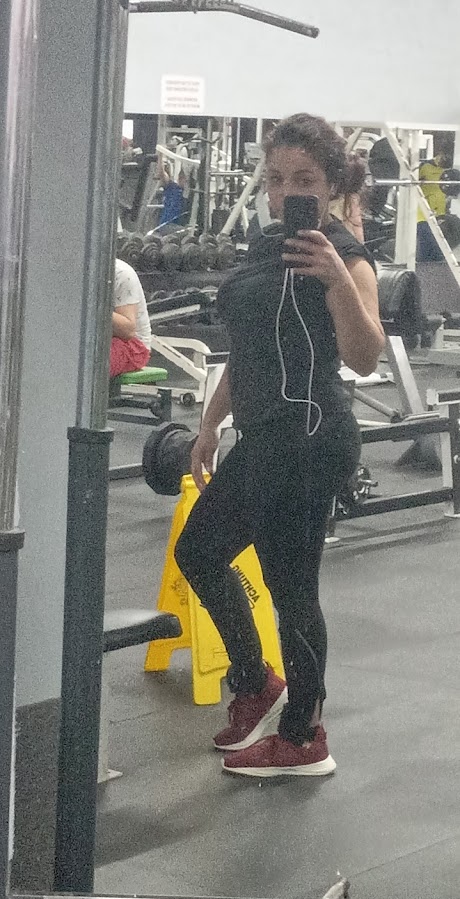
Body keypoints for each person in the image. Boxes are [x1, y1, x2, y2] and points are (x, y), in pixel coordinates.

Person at [175, 113, 384, 778]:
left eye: (304, 180)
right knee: (198, 551)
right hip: (262, 436)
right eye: (276, 179)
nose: (287, 192)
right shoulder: (265, 248)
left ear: (331, 186)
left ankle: (304, 737)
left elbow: (365, 356)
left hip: (312, 438)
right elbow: (249, 351)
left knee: (291, 588)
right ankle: (256, 681)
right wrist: (210, 424)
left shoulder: (346, 256)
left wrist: (337, 279)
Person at [110, 258, 151, 378]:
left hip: (131, 345)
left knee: (83, 363)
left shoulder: (120, 273)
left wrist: (93, 308)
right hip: (89, 339)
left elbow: (128, 330)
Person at [157, 153, 186, 231]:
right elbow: (161, 174)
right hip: (167, 224)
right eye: (184, 179)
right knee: (188, 232)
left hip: (178, 225)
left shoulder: (191, 194)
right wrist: (160, 155)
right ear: (180, 178)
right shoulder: (172, 187)